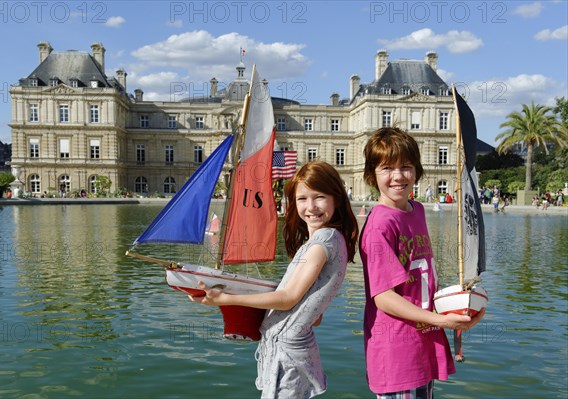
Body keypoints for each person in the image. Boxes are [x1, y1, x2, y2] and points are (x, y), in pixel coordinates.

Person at [191, 161, 359, 398]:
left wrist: (227, 298)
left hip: (287, 354)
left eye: (319, 197)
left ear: (337, 199)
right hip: (293, 347)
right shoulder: (333, 239)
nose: (310, 206)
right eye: (302, 199)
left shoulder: (321, 243)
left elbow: (288, 298)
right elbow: (315, 315)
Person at [359, 127, 485, 398]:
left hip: (423, 341)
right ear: (372, 175)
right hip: (397, 350)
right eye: (386, 168)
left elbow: (421, 274)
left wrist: (455, 306)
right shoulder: (379, 225)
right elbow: (383, 297)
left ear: (416, 170)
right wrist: (440, 321)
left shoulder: (416, 210)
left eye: (406, 166)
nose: (398, 176)